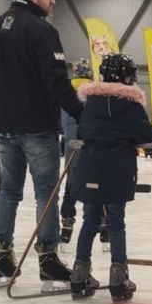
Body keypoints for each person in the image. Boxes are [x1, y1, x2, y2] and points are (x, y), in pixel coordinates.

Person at [0, 0, 84, 292]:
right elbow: (57, 82)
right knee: (46, 193)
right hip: (36, 125)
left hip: (1, 126)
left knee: (8, 190)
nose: (53, 1)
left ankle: (1, 258)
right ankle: (48, 260)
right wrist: (82, 114)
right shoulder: (41, 31)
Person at [67, 54, 152, 302]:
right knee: (115, 222)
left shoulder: (90, 105)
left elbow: (82, 132)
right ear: (129, 78)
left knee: (89, 220)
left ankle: (79, 275)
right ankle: (118, 279)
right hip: (116, 171)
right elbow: (146, 134)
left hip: (89, 169)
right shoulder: (131, 107)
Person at [59, 58, 92, 245]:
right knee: (92, 186)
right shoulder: (94, 93)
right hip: (91, 146)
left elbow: (63, 121)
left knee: (71, 187)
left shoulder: (66, 92)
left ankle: (67, 221)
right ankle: (100, 225)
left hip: (71, 146)